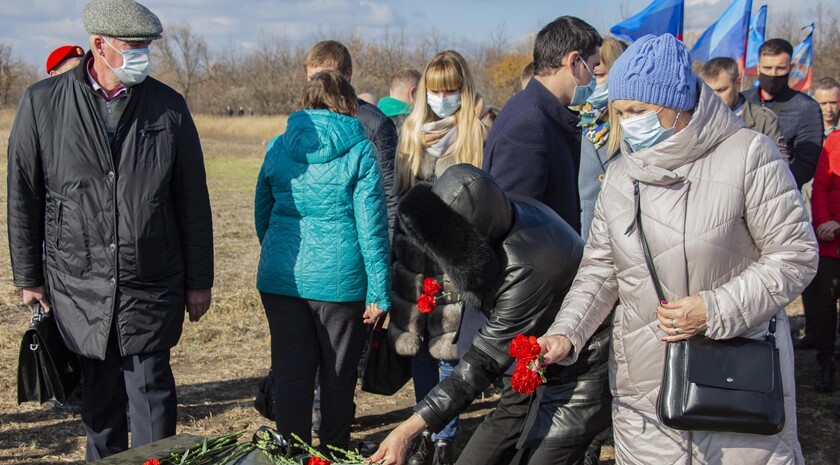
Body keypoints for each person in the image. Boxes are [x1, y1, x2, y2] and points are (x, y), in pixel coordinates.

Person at [537, 33, 816, 464]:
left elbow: (795, 256)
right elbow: (599, 271)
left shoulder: (748, 156)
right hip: (644, 398)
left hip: (735, 386)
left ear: (678, 103)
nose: (628, 123)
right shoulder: (620, 176)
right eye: (621, 112)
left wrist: (713, 309)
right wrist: (565, 333)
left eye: (639, 111)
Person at [7, 0, 214, 460]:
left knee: (153, 403)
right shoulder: (43, 104)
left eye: (148, 46)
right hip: (78, 283)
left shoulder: (169, 107)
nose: (143, 54)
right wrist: (29, 277)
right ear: (99, 45)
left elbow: (193, 201)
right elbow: (24, 195)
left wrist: (200, 281)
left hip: (152, 281)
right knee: (99, 409)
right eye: (133, 45)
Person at [367, 164, 607, 465]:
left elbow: (479, 367)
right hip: (539, 353)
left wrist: (406, 431)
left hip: (584, 362)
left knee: (545, 457)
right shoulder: (503, 213)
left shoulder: (523, 268)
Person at [254, 70, 391, 451]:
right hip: (339, 282)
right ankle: (332, 451)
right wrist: (379, 292)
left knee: (290, 373)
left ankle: (291, 453)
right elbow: (372, 227)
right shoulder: (360, 149)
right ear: (348, 104)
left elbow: (261, 211)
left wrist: (278, 251)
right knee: (337, 376)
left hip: (282, 278)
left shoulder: (278, 146)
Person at [387, 50, 489, 465]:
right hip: (414, 261)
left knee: (448, 350)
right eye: (436, 88)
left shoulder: (476, 134)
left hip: (454, 258)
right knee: (418, 347)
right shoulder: (411, 132)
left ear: (462, 90)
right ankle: (422, 431)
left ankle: (444, 436)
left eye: (451, 89)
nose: (442, 97)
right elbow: (399, 201)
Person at [483, 15, 602, 234]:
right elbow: (514, 229)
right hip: (541, 267)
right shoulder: (529, 125)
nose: (594, 78)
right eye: (593, 67)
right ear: (574, 62)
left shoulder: (536, 111)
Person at [304, 40, 399, 239]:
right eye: (313, 79)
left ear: (347, 74)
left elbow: (389, 195)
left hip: (357, 243)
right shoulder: (304, 122)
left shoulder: (376, 125)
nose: (319, 87)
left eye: (326, 77)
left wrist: (387, 253)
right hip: (312, 244)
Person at [743, 38, 823, 189]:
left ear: (790, 67)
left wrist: (772, 186)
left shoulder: (807, 108)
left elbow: (805, 163)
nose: (773, 74)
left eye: (780, 68)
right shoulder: (743, 101)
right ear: (758, 68)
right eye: (767, 68)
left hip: (781, 193)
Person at [800, 130, 840, 392]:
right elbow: (821, 185)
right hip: (830, 244)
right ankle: (826, 363)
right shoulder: (835, 140)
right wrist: (824, 222)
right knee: (824, 305)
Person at [578, 36, 626, 242]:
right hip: (580, 241)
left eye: (600, 75)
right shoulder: (573, 121)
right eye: (590, 75)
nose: (592, 83)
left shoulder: (632, 126)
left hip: (621, 242)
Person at [699, 57, 788, 158]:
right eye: (709, 91)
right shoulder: (695, 119)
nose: (714, 97)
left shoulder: (764, 121)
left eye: (721, 90)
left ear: (737, 84)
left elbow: (779, 166)